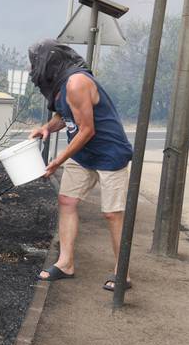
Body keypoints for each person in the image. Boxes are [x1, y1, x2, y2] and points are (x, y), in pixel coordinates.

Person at [27, 39, 133, 291]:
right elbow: (65, 117)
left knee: (112, 213)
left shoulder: (77, 83)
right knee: (67, 201)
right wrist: (46, 128)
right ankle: (65, 263)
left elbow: (86, 130)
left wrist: (57, 161)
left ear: (49, 63)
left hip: (110, 153)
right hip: (83, 154)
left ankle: (122, 271)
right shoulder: (62, 87)